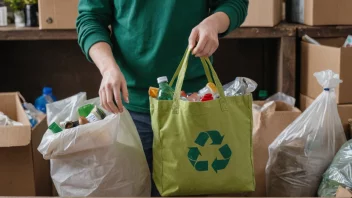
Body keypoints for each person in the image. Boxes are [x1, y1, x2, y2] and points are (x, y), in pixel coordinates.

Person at [76, 0, 248, 196]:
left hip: (191, 107)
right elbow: (90, 18)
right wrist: (108, 68)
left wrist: (213, 23)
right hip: (130, 109)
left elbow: (234, 3)